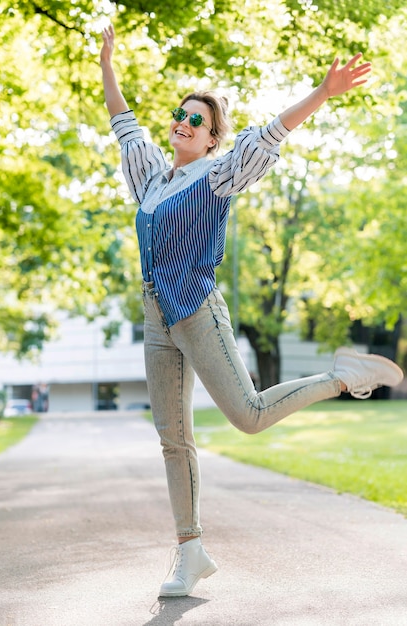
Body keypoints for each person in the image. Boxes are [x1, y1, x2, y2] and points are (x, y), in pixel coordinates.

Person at [100, 25, 403, 598]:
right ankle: (190, 553)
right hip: (157, 316)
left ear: (212, 140)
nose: (183, 124)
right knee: (172, 435)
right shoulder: (150, 180)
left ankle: (343, 376)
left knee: (250, 415)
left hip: (198, 310)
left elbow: (268, 135)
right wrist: (107, 64)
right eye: (180, 115)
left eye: (197, 121)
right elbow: (124, 123)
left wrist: (322, 92)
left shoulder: (216, 176)